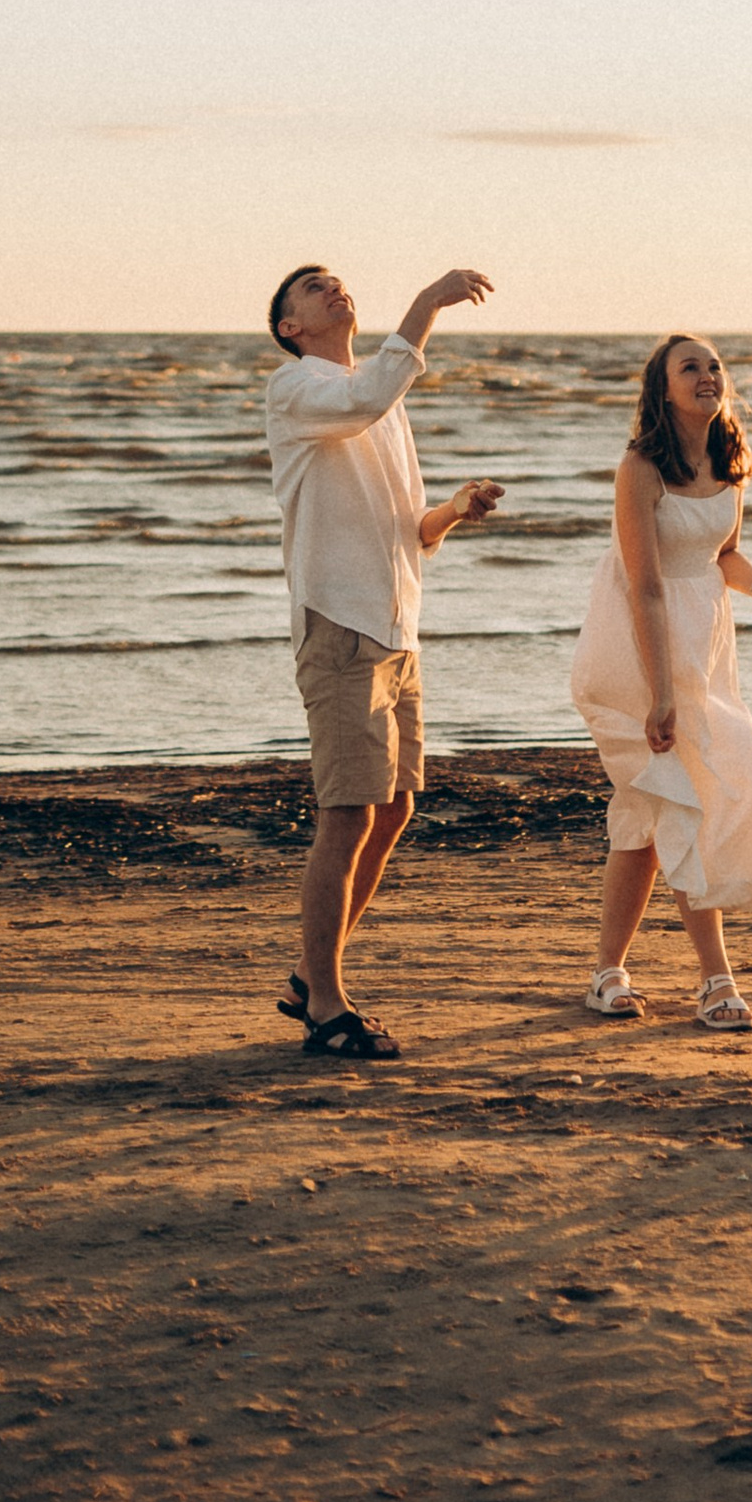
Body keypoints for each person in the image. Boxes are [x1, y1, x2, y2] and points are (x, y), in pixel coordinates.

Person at [265, 259, 502, 1059]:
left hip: (396, 628)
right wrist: (428, 303)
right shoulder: (296, 388)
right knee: (346, 814)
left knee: (394, 808)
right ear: (291, 327)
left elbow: (412, 530)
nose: (333, 289)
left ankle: (309, 973)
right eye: (311, 287)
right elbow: (365, 397)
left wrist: (456, 511)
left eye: (335, 280)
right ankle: (325, 1006)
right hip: (339, 626)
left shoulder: (378, 394)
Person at [569, 333, 752, 1031]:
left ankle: (608, 971)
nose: (707, 376)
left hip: (704, 640)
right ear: (662, 388)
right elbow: (644, 585)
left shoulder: (730, 460)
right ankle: (715, 977)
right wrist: (662, 690)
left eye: (714, 365)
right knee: (682, 801)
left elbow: (718, 553)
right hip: (639, 644)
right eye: (689, 367)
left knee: (645, 816)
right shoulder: (641, 468)